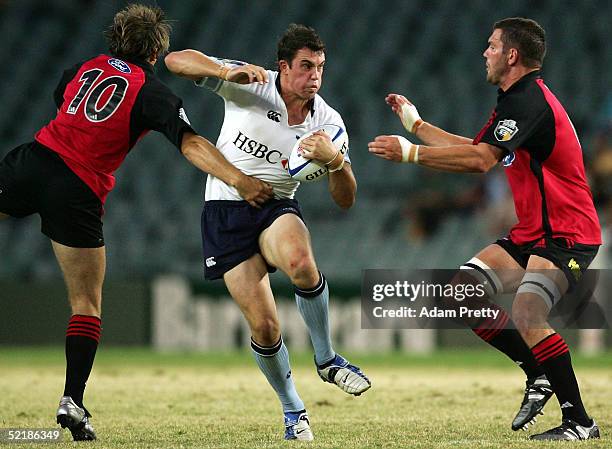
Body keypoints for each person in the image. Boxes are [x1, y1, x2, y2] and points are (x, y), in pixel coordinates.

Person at [0, 4, 272, 441]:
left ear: (116, 39)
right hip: (77, 189)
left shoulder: (81, 67)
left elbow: (63, 101)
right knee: (86, 303)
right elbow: (190, 144)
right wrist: (238, 178)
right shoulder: (151, 92)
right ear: (155, 50)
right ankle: (72, 400)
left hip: (32, 161)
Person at [369, 17, 601, 441]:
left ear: (512, 55)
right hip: (533, 232)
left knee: (529, 312)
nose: (485, 52)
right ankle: (539, 373)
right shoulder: (514, 101)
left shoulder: (529, 102)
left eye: (492, 45)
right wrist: (416, 126)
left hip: (568, 233)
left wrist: (410, 154)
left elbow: (480, 162)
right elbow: (474, 149)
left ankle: (580, 423)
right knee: (460, 294)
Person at [165, 23, 371, 441]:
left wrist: (335, 162)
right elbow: (174, 61)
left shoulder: (329, 122)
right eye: (306, 66)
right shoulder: (253, 84)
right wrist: (224, 74)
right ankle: (293, 408)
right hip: (225, 210)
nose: (315, 76)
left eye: (321, 67)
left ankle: (328, 359)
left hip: (277, 204)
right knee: (265, 328)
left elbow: (346, 199)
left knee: (300, 262)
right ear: (284, 67)